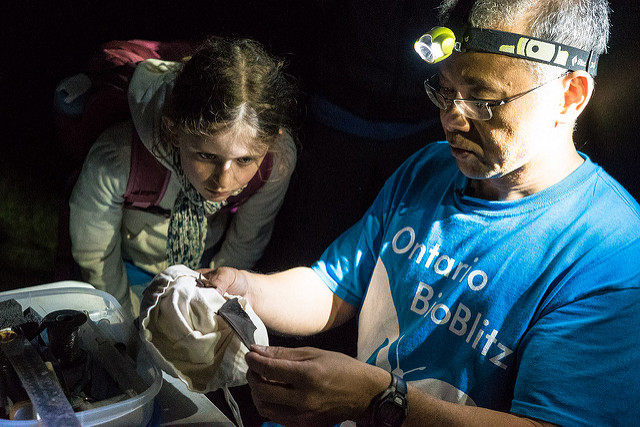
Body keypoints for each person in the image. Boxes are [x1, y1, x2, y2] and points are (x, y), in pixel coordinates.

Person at [196, 0, 640, 425]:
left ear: (570, 95)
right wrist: (242, 289)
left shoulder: (612, 251)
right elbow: (333, 286)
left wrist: (378, 401)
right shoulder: (428, 169)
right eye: (445, 93)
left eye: (483, 99)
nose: (453, 119)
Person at [69, 36, 299, 316]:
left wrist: (212, 301)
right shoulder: (119, 156)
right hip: (125, 268)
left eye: (245, 160)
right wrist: (122, 321)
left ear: (271, 142)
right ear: (173, 130)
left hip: (204, 267)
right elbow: (96, 253)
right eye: (207, 156)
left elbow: (244, 245)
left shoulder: (275, 163)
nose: (223, 180)